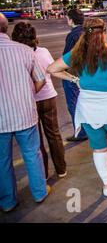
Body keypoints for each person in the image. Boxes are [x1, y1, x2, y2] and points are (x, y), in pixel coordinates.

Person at [48, 18, 107, 197]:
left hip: (88, 111)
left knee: (99, 148)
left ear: (84, 33)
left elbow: (52, 69)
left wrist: (74, 78)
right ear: (104, 33)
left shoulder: (75, 55)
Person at [0, 13, 51, 213]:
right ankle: (39, 192)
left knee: (3, 161)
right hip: (24, 114)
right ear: (6, 28)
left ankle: (7, 201)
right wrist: (27, 94)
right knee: (32, 154)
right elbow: (41, 79)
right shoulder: (24, 51)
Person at [11, 22, 67, 180]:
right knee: (54, 134)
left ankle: (44, 172)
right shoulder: (42, 51)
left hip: (30, 100)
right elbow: (50, 70)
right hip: (48, 96)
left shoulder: (16, 53)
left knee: (37, 139)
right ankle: (61, 169)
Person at [63, 9, 88, 141]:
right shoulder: (87, 32)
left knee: (73, 104)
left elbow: (66, 58)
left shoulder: (73, 35)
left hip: (73, 75)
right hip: (86, 73)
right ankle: (88, 129)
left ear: (71, 20)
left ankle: (80, 132)